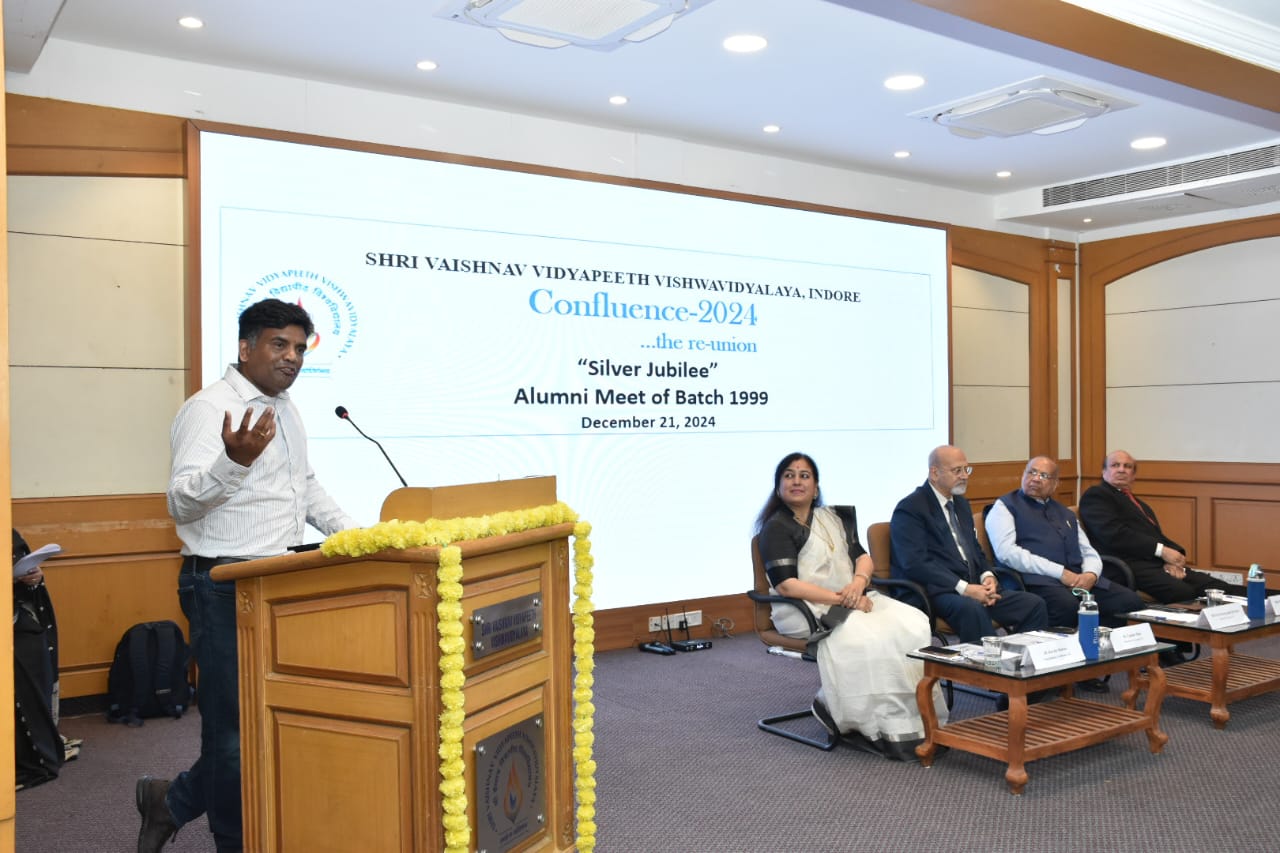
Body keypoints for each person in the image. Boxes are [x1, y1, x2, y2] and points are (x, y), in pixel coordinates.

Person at [137, 299, 358, 853]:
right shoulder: (208, 410)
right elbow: (180, 503)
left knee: (266, 722)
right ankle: (234, 841)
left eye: (299, 348)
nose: (292, 357)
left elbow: (304, 488)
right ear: (245, 347)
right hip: (221, 585)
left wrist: (358, 537)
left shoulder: (286, 410)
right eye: (279, 344)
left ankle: (172, 801)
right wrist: (232, 463)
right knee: (233, 732)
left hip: (280, 581)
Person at [756, 452, 945, 761]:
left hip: (853, 596)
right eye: (789, 475)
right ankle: (863, 723)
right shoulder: (775, 528)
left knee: (912, 622)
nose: (797, 481)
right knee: (870, 637)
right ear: (778, 487)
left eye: (804, 475)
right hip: (804, 608)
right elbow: (787, 585)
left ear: (816, 487)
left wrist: (858, 584)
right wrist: (844, 599)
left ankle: (916, 721)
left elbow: (863, 557)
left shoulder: (832, 519)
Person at [890, 445, 1048, 643]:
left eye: (967, 469)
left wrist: (987, 576)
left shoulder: (961, 503)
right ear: (934, 473)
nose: (965, 476)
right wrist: (965, 589)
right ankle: (989, 662)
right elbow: (915, 563)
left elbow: (974, 550)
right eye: (957, 470)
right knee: (972, 609)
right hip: (935, 591)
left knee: (1033, 604)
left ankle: (1021, 658)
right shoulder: (911, 508)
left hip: (972, 586)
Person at [985, 455, 1144, 630]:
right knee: (1066, 607)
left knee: (1129, 601)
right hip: (1036, 581)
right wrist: (1061, 573)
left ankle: (1096, 642)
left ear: (1055, 484)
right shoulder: (1004, 506)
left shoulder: (1065, 513)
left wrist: (1091, 574)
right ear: (1023, 474)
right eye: (1032, 472)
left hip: (1078, 580)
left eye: (1044, 476)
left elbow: (1087, 550)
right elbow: (1006, 553)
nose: (1036, 479)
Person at [1079, 450, 1245, 603]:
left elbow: (1156, 535)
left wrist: (1175, 559)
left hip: (1155, 563)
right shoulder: (1097, 495)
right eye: (1115, 465)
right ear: (1104, 471)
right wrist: (1162, 552)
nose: (1121, 470)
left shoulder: (1137, 503)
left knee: (1218, 587)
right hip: (1126, 565)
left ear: (1133, 475)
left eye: (1127, 466)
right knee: (1185, 593)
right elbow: (1115, 535)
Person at [13, 529, 65, 790]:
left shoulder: (6, 532)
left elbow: (27, 587)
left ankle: (34, 752)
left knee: (31, 643)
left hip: (11, 619)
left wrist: (32, 577)